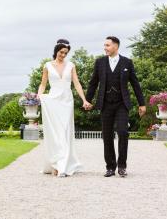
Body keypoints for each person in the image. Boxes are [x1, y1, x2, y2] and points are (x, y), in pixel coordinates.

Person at [85, 36, 146, 177]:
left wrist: (142, 103)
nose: (105, 48)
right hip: (105, 103)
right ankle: (110, 167)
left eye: (107, 45)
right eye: (104, 45)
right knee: (106, 136)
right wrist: (87, 100)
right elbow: (93, 83)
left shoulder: (127, 63)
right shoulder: (99, 62)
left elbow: (135, 84)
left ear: (116, 46)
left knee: (123, 132)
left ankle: (122, 166)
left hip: (122, 104)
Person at [37, 39, 91, 177]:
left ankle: (63, 164)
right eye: (61, 52)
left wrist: (84, 100)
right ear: (56, 51)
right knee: (55, 133)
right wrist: (39, 96)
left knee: (65, 132)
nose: (63, 55)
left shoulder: (71, 65)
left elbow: (77, 84)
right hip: (53, 101)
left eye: (66, 53)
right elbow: (43, 84)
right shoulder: (47, 66)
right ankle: (56, 164)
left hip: (67, 101)